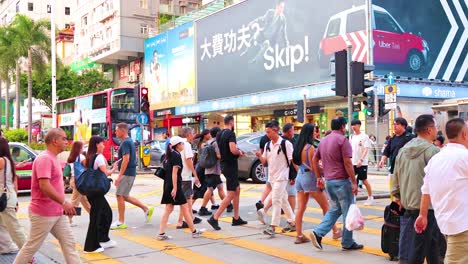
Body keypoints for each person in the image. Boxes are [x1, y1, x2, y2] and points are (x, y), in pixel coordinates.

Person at [14, 128, 82, 264]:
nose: (67, 142)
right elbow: (44, 186)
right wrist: (64, 202)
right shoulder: (45, 158)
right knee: (31, 247)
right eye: (63, 139)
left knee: (69, 244)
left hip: (57, 213)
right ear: (55, 141)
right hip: (43, 213)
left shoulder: (53, 158)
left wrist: (63, 204)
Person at [415, 118, 468, 264]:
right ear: (464, 134)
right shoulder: (464, 157)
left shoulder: (436, 159)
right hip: (462, 226)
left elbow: (426, 190)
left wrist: (422, 215)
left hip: (446, 224)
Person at [392, 114, 443, 263]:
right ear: (429, 129)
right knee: (422, 250)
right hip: (428, 209)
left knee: (423, 246)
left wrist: (397, 197)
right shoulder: (432, 151)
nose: (437, 130)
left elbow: (395, 177)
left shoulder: (403, 150)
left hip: (408, 206)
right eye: (435, 127)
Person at [310, 117, 363, 251]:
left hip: (329, 181)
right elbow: (347, 163)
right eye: (345, 126)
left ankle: (318, 232)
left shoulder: (323, 140)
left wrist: (318, 177)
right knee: (347, 211)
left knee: (335, 209)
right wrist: (354, 182)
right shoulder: (342, 140)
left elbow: (314, 160)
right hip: (342, 181)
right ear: (342, 127)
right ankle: (347, 242)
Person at [292, 124, 341, 244]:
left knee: (301, 208)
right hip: (311, 178)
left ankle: (299, 235)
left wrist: (301, 172)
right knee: (326, 207)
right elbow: (314, 166)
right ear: (309, 133)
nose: (316, 133)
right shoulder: (309, 148)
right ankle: (335, 231)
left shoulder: (298, 146)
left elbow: (294, 161)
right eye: (314, 131)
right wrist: (320, 176)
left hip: (300, 177)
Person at [157, 136, 203, 240]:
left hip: (168, 185)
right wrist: (175, 188)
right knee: (184, 208)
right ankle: (194, 232)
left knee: (170, 208)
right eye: (182, 143)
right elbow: (174, 173)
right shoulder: (176, 155)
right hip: (175, 186)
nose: (183, 145)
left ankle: (161, 233)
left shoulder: (169, 155)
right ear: (177, 145)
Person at [255, 120, 296, 237]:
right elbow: (265, 162)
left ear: (276, 130)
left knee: (276, 200)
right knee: (283, 201)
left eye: (269, 132)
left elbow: (292, 161)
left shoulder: (286, 144)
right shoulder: (268, 145)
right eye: (266, 132)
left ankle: (273, 226)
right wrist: (259, 156)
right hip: (272, 177)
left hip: (282, 177)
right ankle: (293, 221)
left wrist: (294, 176)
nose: (267, 134)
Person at [208, 116, 248, 230]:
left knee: (237, 189)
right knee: (231, 193)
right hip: (230, 166)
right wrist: (239, 152)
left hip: (224, 164)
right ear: (232, 122)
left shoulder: (219, 134)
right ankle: (214, 218)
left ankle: (236, 217)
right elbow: (233, 149)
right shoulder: (230, 134)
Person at [111, 123, 154, 230]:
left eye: (116, 130)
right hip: (130, 172)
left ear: (122, 131)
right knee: (124, 196)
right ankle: (146, 209)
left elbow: (126, 159)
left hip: (127, 173)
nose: (115, 132)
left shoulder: (125, 142)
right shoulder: (128, 141)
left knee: (119, 195)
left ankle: (121, 222)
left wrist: (119, 176)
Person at [83, 136, 118, 253]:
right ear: (97, 144)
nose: (104, 146)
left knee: (105, 213)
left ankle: (103, 239)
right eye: (102, 144)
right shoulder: (99, 157)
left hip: (92, 191)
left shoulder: (90, 156)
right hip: (96, 191)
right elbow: (105, 173)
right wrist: (113, 169)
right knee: (97, 217)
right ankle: (91, 246)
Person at [0, 138, 27, 255]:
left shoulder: (1, 160)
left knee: (14, 228)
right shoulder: (8, 160)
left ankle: (27, 253)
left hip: (5, 197)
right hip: (9, 196)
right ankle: (6, 247)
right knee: (2, 225)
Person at [175, 127, 202, 229]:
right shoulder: (186, 145)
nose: (193, 136)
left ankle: (190, 218)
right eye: (192, 133)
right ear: (188, 134)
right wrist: (195, 174)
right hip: (185, 175)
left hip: (180, 175)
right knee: (186, 199)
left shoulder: (178, 144)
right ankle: (181, 221)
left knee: (188, 198)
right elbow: (189, 161)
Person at [198, 127, 226, 216]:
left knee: (220, 186)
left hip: (208, 169)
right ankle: (202, 208)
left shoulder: (208, 142)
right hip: (214, 169)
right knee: (210, 189)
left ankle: (228, 204)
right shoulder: (215, 143)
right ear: (218, 134)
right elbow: (218, 156)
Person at [66, 141, 91, 226]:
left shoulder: (71, 157)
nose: (83, 149)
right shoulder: (81, 157)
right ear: (79, 149)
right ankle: (68, 220)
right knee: (74, 201)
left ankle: (94, 217)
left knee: (85, 200)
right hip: (79, 180)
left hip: (73, 179)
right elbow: (87, 166)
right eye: (82, 147)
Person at [350, 120, 374, 205]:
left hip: (362, 163)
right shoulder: (352, 137)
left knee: (364, 180)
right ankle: (353, 197)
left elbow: (366, 149)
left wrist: (361, 159)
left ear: (359, 125)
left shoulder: (364, 136)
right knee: (353, 181)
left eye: (355, 125)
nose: (353, 126)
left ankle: (370, 197)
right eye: (352, 125)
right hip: (353, 162)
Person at [255, 132, 272, 224]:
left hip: (266, 165)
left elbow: (261, 153)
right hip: (273, 166)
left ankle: (261, 201)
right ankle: (263, 208)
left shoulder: (263, 139)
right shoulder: (273, 140)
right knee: (275, 188)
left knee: (269, 185)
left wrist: (262, 163)